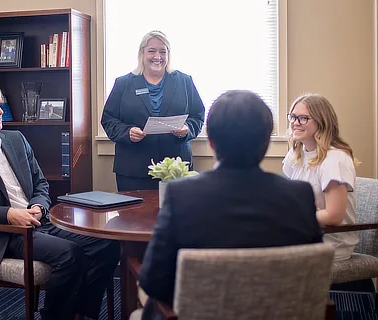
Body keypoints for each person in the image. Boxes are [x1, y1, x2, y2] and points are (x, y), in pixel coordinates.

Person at [138, 90, 323, 318]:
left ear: (212, 142)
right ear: (266, 141)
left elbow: (153, 281)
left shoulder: (181, 195)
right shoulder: (300, 195)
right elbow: (312, 277)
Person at [0, 82, 120, 320]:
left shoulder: (16, 139)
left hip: (39, 221)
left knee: (106, 244)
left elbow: (41, 183)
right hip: (5, 234)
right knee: (70, 254)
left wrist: (39, 205)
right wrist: (9, 214)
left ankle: (82, 313)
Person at [101, 30, 205, 192]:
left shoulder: (184, 81)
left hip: (175, 168)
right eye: (152, 51)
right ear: (142, 53)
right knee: (133, 216)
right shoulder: (123, 83)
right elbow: (108, 119)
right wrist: (127, 132)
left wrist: (187, 130)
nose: (158, 56)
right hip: (133, 170)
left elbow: (197, 116)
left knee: (176, 216)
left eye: (163, 51)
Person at [282, 93, 359, 261]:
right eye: (293, 117)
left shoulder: (335, 159)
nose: (295, 123)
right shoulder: (295, 155)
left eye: (303, 118)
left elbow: (334, 216)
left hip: (331, 242)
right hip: (305, 234)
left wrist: (291, 217)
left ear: (321, 121)